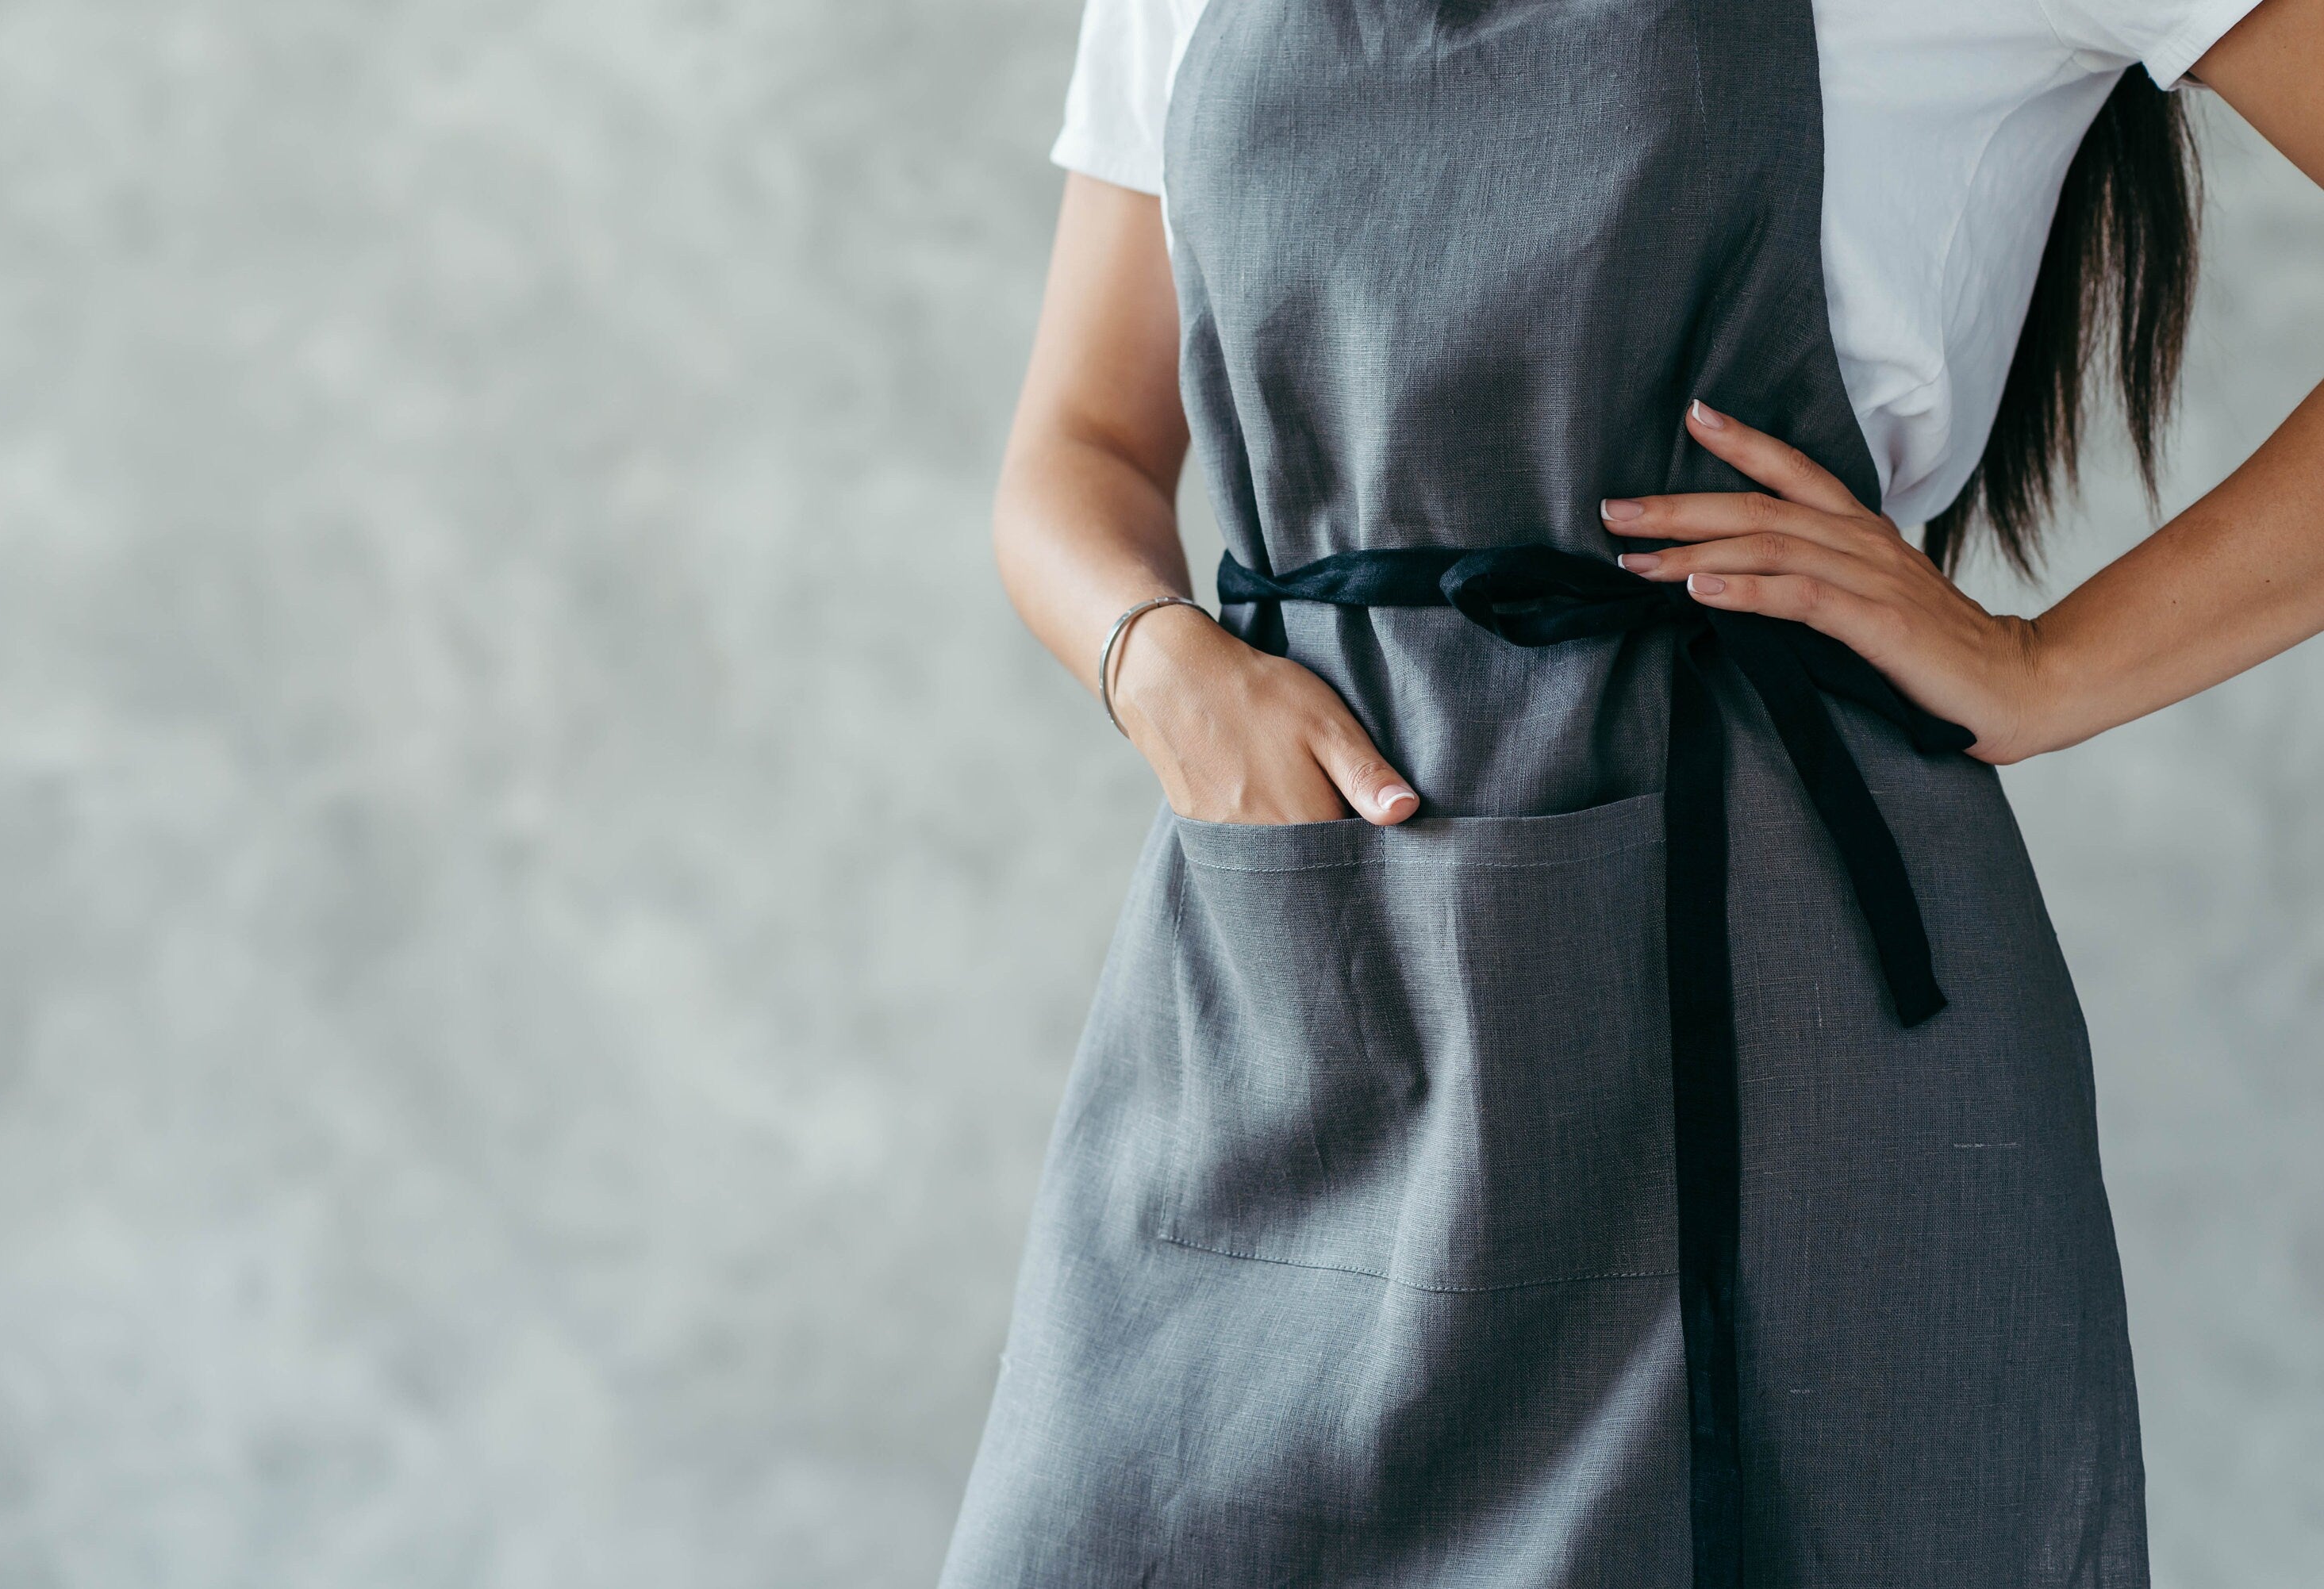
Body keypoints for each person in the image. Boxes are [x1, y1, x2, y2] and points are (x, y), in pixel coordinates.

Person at [943, 0, 2324, 1581]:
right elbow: (1079, 445)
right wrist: (1157, 663)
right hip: (1302, 989)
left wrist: (2047, 668)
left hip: (1790, 1023)